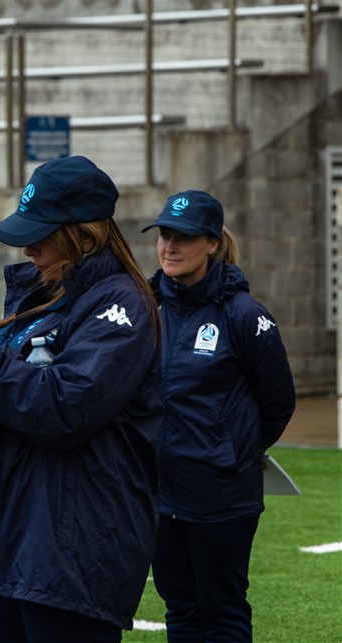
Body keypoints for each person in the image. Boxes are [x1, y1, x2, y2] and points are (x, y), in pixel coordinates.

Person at [0, 155, 162, 641]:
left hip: (71, 550)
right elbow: (9, 398)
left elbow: (68, 406)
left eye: (40, 235)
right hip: (16, 540)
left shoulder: (122, 303)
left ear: (84, 238)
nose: (27, 248)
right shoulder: (41, 297)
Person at [142, 189, 296, 641]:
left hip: (221, 496)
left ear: (211, 243)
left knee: (222, 612)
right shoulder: (147, 308)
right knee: (180, 610)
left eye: (184, 238)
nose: (170, 247)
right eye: (165, 235)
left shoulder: (244, 315)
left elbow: (278, 402)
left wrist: (230, 452)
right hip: (159, 493)